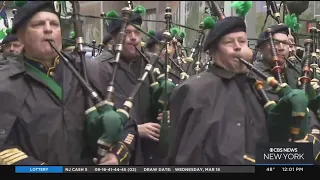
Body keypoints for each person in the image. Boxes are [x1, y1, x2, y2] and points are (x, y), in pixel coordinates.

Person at [166, 16, 320, 165]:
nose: (238, 46)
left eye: (242, 41)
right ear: (213, 52)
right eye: (228, 42)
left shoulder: (255, 85)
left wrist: (302, 148)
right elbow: (190, 156)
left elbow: (264, 144)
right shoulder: (195, 90)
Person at [0, 1, 136, 165]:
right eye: (38, 24)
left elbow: (126, 122)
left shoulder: (88, 69)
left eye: (54, 24)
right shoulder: (5, 81)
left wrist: (116, 154)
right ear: (21, 36)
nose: (49, 29)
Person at [88, 8, 168, 165]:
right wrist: (137, 129)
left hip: (153, 152)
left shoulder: (153, 62)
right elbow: (95, 120)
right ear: (114, 37)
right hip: (119, 154)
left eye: (137, 33)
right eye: (128, 33)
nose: (134, 38)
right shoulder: (99, 67)